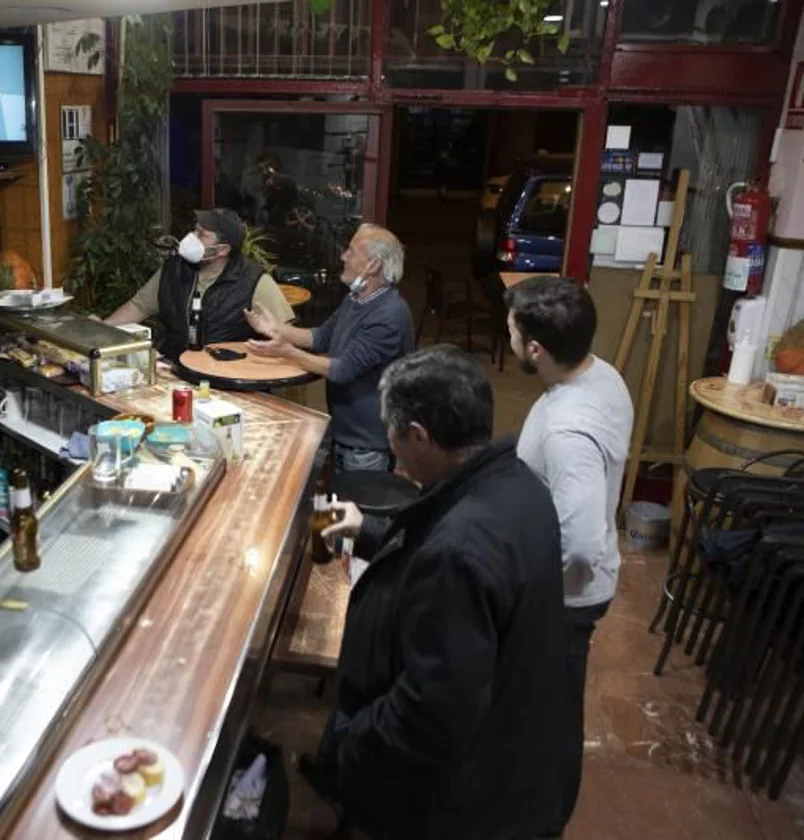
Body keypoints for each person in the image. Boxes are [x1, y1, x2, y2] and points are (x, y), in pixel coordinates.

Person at [314, 345, 567, 839]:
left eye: (393, 432)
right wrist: (370, 528)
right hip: (521, 759)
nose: (391, 443)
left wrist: (349, 742)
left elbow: (432, 711)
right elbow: (441, 531)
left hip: (465, 804)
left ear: (419, 438)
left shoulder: (458, 552)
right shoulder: (519, 486)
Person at [506, 276, 634, 838]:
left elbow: (579, 542)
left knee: (550, 717)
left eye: (512, 329)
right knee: (550, 706)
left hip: (564, 599)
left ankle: (542, 823)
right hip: (576, 589)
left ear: (535, 349)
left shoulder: (567, 431)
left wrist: (521, 581)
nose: (507, 335)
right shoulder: (598, 371)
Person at [244, 223, 413, 472]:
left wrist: (287, 353)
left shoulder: (388, 316)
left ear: (374, 265)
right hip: (345, 431)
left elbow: (343, 369)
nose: (343, 256)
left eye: (352, 251)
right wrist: (275, 329)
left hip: (367, 444)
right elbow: (320, 337)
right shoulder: (355, 299)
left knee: (358, 511)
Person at [103, 208, 295, 360]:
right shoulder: (173, 270)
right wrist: (101, 330)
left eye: (201, 234)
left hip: (228, 380)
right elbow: (138, 307)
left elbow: (286, 334)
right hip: (176, 370)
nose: (191, 237)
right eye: (194, 230)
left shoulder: (255, 281)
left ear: (222, 250)